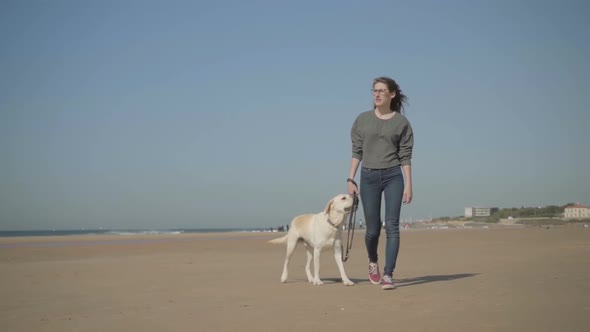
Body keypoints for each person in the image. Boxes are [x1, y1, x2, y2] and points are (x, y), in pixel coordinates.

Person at [346, 76, 414, 290]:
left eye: (381, 91)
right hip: (368, 176)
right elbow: (357, 151)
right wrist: (351, 178)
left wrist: (409, 184)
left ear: (392, 94)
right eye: (374, 90)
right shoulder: (362, 120)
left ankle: (388, 275)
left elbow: (405, 155)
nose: (376, 94)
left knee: (392, 226)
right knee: (373, 229)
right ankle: (373, 261)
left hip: (394, 175)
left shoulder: (401, 123)